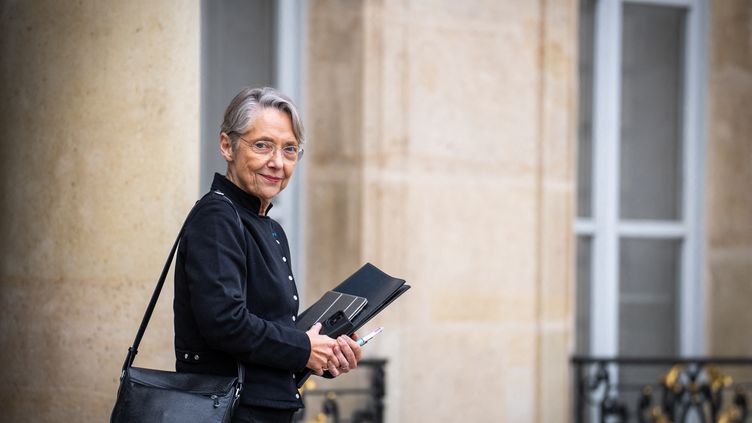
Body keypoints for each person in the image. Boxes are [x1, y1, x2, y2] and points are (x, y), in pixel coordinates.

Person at [173, 87, 362, 423]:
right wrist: (304, 348)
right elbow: (225, 322)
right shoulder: (216, 216)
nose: (277, 162)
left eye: (290, 150)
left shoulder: (271, 228)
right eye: (262, 146)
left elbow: (270, 334)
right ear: (226, 146)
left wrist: (325, 352)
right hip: (229, 413)